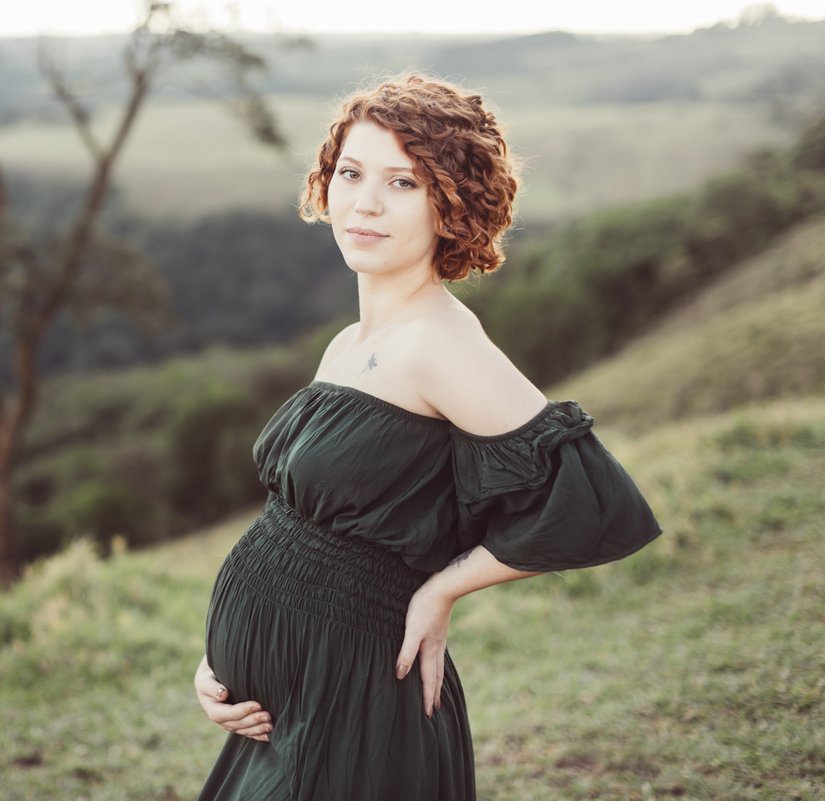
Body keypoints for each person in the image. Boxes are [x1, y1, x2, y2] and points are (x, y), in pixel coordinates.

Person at [191, 74, 662, 800]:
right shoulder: (349, 342)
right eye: (350, 173)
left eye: (403, 182)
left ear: (451, 206)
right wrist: (221, 660)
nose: (365, 202)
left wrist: (443, 589)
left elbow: (595, 501)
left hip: (356, 705)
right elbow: (296, 525)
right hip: (284, 709)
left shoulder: (439, 344)